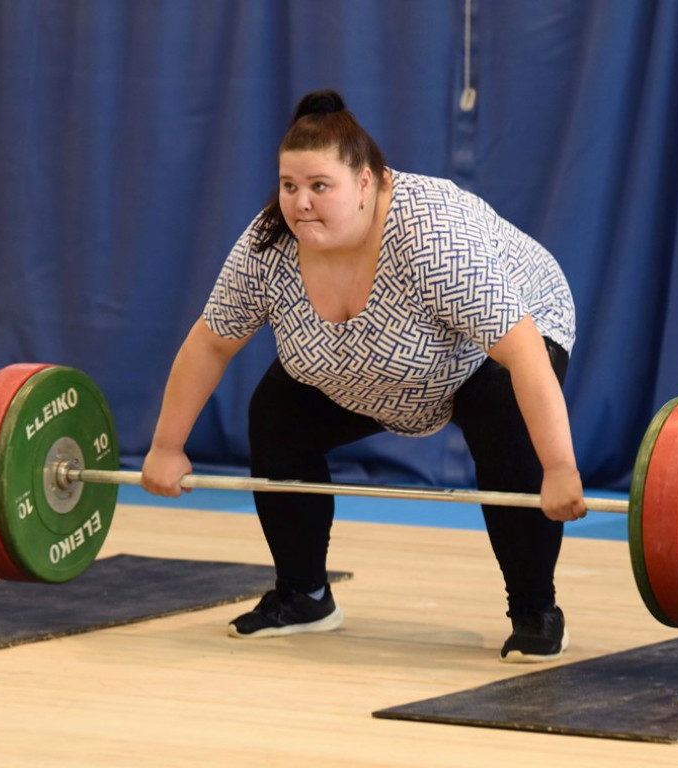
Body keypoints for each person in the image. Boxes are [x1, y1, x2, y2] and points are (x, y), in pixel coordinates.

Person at [141, 89, 586, 663]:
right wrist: (165, 447)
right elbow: (210, 343)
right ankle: (304, 595)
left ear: (368, 183)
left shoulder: (434, 237)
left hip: (494, 343)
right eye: (289, 185)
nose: (300, 203)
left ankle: (535, 610)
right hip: (378, 361)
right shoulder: (268, 244)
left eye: (320, 186)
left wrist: (557, 467)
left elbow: (524, 354)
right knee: (277, 413)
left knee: (500, 412)